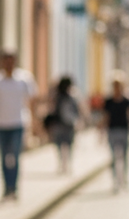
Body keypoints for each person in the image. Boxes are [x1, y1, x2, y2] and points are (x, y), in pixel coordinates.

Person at [0, 50, 38, 201]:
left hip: (18, 123)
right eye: (6, 60)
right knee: (4, 158)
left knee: (15, 157)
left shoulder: (24, 79)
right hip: (2, 125)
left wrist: (35, 123)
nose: (9, 63)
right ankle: (7, 187)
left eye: (11, 60)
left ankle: (14, 188)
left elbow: (32, 100)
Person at [102, 72, 129, 192]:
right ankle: (116, 180)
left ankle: (124, 178)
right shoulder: (108, 101)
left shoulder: (127, 100)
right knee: (113, 157)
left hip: (124, 130)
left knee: (125, 156)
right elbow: (105, 116)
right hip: (112, 130)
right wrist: (101, 131)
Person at [44, 75, 81, 174]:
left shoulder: (62, 97)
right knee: (66, 145)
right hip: (63, 124)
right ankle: (65, 164)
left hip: (62, 124)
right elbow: (76, 110)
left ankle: (64, 164)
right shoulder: (68, 97)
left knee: (62, 145)